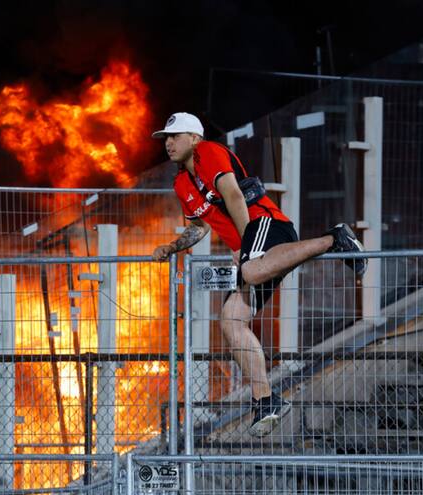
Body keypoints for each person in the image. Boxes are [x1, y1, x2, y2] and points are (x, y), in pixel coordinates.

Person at [151, 113, 367, 437]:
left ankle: (334, 238)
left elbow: (235, 196)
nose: (168, 143)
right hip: (253, 249)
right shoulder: (181, 184)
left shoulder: (207, 152)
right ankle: (266, 400)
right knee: (230, 320)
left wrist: (248, 248)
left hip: (266, 225)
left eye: (175, 135)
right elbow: (199, 227)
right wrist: (171, 247)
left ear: (194, 138)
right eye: (165, 138)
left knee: (251, 270)